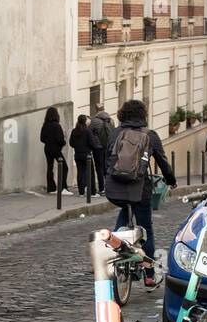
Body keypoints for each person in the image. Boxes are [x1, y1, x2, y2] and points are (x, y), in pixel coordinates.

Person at [105, 99, 176, 289]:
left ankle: (112, 255)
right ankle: (150, 275)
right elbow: (162, 162)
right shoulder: (150, 135)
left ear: (123, 115)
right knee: (146, 229)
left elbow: (107, 160)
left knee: (123, 215)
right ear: (142, 115)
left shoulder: (115, 134)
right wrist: (171, 180)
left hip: (115, 189)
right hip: (140, 190)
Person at [40, 107, 71, 194]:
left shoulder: (45, 125)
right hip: (56, 149)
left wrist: (48, 141)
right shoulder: (57, 126)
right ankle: (63, 188)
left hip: (47, 148)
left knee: (50, 168)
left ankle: (51, 188)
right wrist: (63, 143)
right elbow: (60, 139)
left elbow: (42, 138)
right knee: (64, 167)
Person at [90, 105, 114, 192]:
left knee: (99, 167)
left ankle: (102, 188)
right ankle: (109, 186)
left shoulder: (94, 121)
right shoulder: (111, 120)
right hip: (108, 147)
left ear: (96, 110)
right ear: (104, 109)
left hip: (98, 148)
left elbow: (90, 133)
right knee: (107, 167)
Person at [69, 114, 92, 194]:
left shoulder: (74, 131)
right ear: (85, 121)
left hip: (77, 154)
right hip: (86, 154)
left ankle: (81, 191)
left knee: (80, 172)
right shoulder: (87, 131)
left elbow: (71, 143)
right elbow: (91, 143)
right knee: (89, 172)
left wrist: (77, 146)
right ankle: (90, 190)